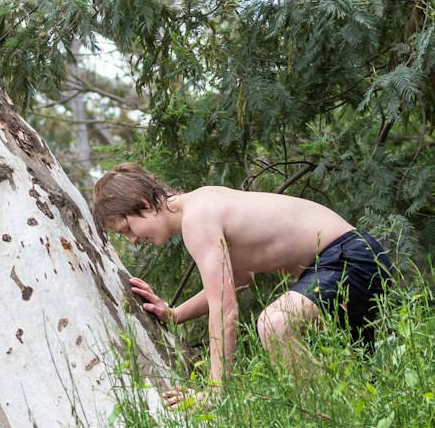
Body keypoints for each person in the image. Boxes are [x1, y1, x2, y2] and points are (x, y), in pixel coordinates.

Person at [92, 163, 393, 409]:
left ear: (144, 205)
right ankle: (349, 417)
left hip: (348, 258)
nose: (132, 239)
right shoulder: (200, 203)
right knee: (362, 382)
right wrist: (175, 314)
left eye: (128, 228)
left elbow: (224, 308)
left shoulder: (197, 218)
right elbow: (241, 279)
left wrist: (215, 390)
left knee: (275, 325)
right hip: (348, 260)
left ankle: (330, 415)